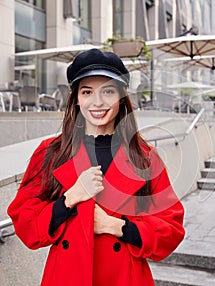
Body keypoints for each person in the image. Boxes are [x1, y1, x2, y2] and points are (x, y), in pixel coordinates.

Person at [7, 49, 185, 286]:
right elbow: (25, 222)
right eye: (87, 91)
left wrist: (117, 227)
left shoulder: (144, 157)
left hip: (125, 277)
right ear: (77, 98)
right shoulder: (50, 152)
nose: (97, 102)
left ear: (121, 97)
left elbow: (171, 228)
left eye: (108, 91)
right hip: (66, 276)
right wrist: (70, 198)